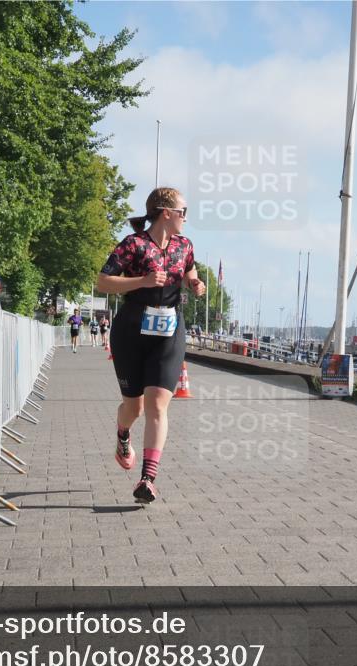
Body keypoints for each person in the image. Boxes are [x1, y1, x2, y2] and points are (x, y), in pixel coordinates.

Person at [96, 187, 205, 504]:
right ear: (166, 213)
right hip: (131, 330)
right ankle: (122, 433)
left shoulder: (184, 245)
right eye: (184, 211)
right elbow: (103, 282)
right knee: (135, 407)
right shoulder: (134, 244)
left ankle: (148, 479)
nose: (186, 217)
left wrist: (195, 283)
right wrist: (140, 281)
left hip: (169, 331)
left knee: (158, 404)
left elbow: (189, 272)